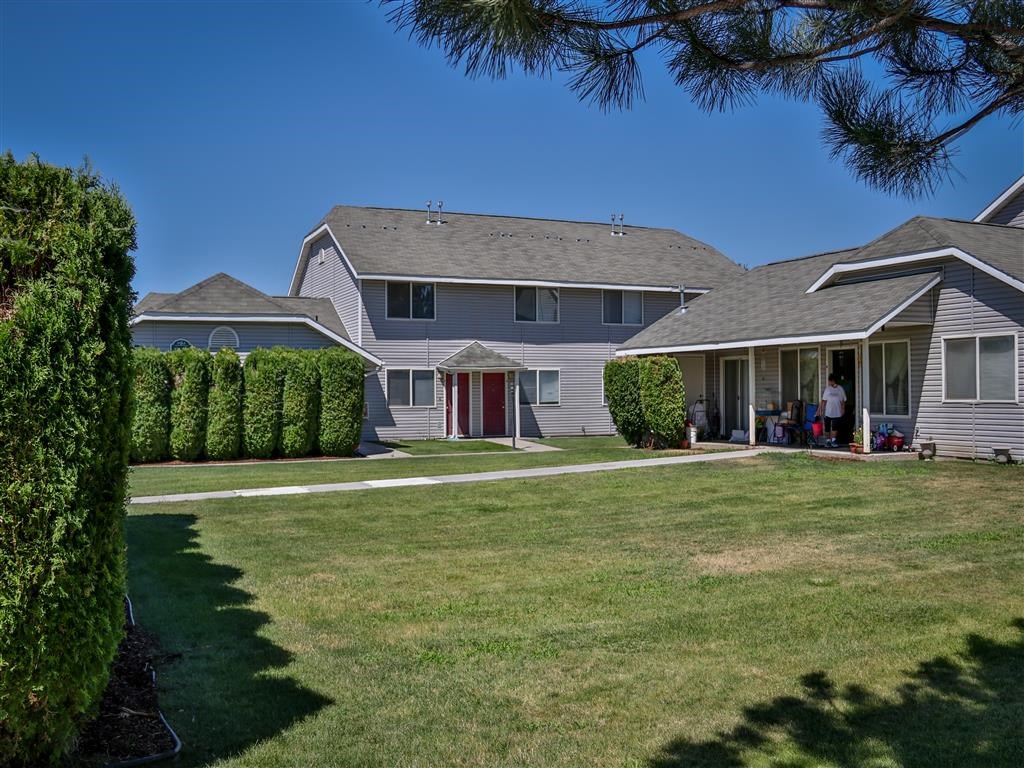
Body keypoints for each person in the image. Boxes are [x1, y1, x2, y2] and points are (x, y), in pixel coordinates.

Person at [818, 373, 847, 448]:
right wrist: (821, 410)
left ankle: (833, 440)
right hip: (828, 411)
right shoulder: (827, 389)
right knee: (827, 427)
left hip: (837, 411)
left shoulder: (840, 389)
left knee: (835, 426)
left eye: (830, 381)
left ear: (833, 380)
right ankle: (828, 441)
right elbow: (824, 400)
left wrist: (843, 409)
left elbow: (843, 400)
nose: (829, 382)